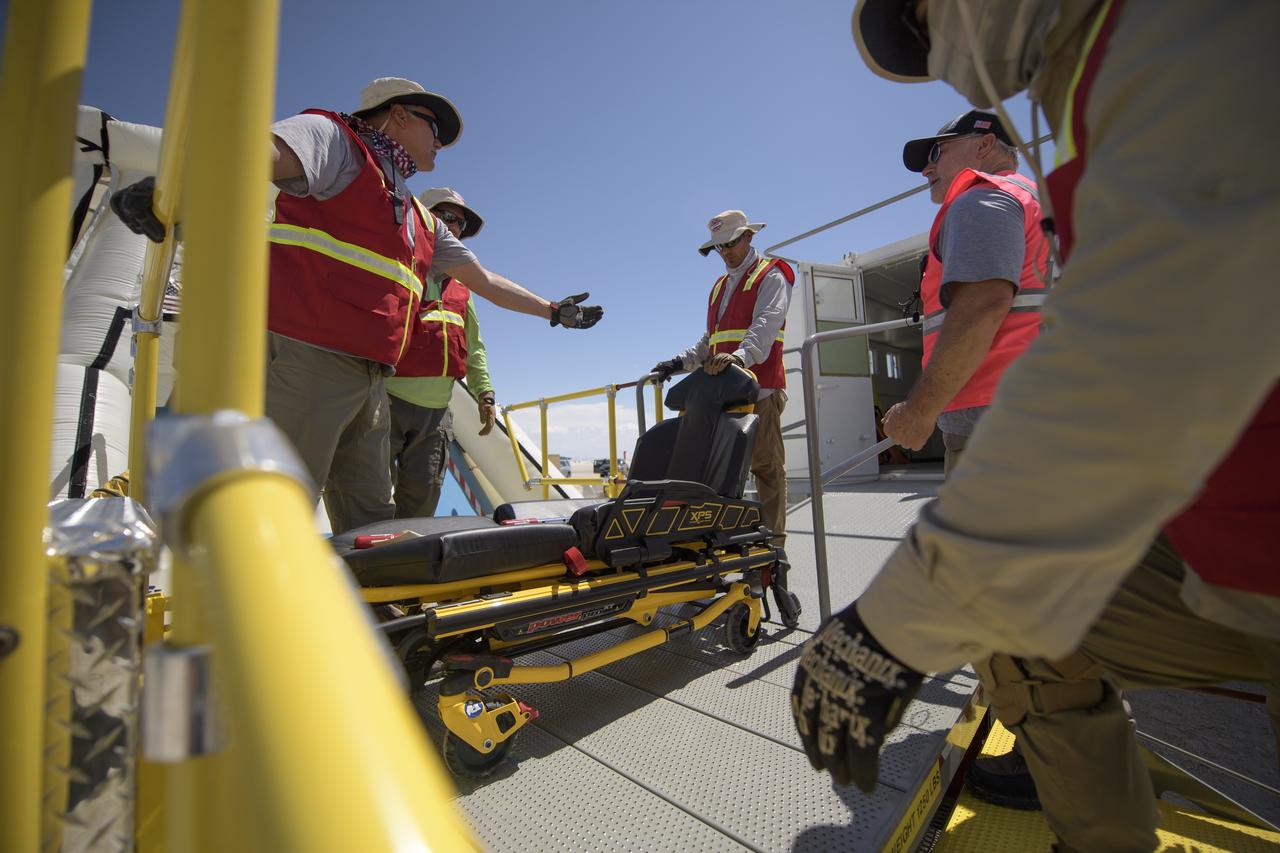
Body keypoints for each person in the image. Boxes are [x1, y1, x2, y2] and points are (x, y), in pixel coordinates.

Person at [791, 3, 1279, 852]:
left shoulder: (1167, 44)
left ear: (980, 142)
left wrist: (892, 621)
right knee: (1011, 615)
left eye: (925, 14)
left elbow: (1083, 339)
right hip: (1230, 518)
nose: (937, 48)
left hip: (1159, 498)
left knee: (1007, 616)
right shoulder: (1090, 108)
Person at [116, 77, 602, 534]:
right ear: (396, 116)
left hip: (370, 379)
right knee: (273, 508)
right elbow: (261, 152)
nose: (441, 143)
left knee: (372, 517)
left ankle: (376, 616)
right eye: (434, 128)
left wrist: (552, 311)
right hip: (304, 358)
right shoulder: (334, 140)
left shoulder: (419, 219)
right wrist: (180, 187)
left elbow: (486, 281)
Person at [883, 108, 1062, 809]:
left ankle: (1052, 755)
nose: (929, 165)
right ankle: (1044, 726)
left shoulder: (982, 196)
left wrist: (920, 409)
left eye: (937, 149)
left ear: (985, 142)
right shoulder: (1019, 203)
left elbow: (984, 304)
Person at [652, 210, 794, 543]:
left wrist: (739, 357)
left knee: (767, 471)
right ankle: (720, 547)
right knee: (719, 474)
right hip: (721, 398)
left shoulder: (772, 275)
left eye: (730, 244)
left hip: (760, 393)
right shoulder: (718, 287)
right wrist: (677, 363)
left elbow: (766, 325)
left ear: (749, 237)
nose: (725, 252)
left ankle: (772, 552)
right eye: (719, 247)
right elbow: (710, 341)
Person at [385, 187, 495, 518]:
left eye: (459, 222)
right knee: (369, 501)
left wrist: (485, 393)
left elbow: (474, 347)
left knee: (421, 504)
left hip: (435, 414)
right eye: (446, 217)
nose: (455, 227)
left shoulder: (464, 290)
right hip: (384, 403)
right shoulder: (397, 266)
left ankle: (409, 564)